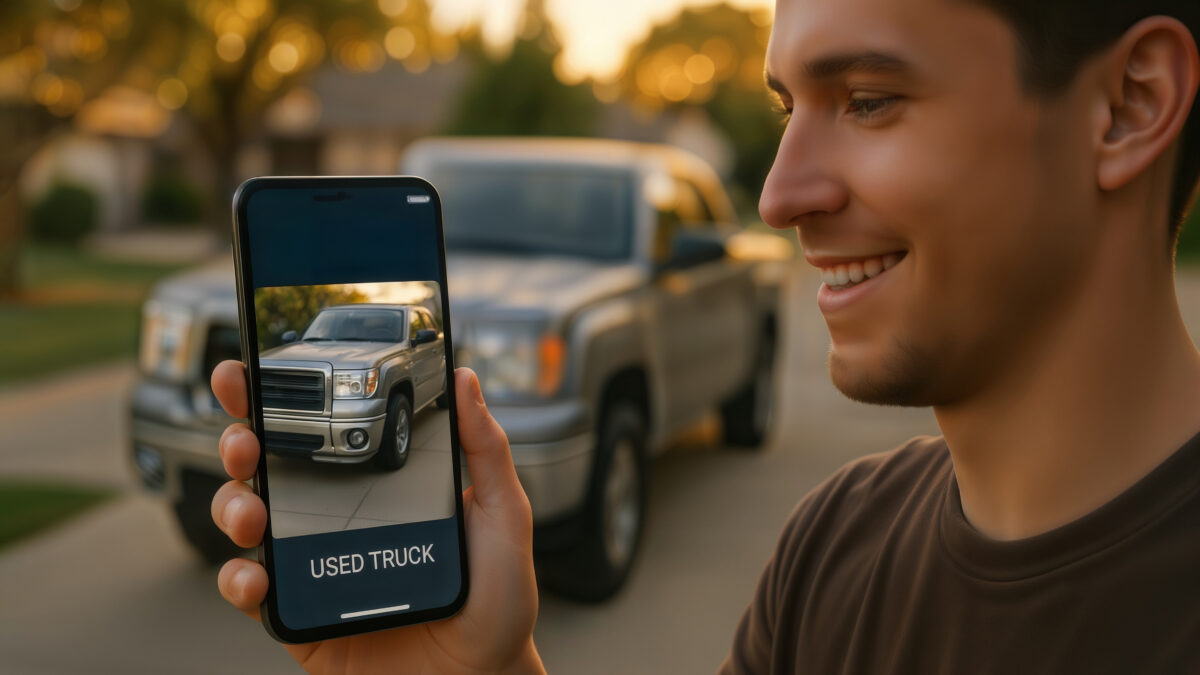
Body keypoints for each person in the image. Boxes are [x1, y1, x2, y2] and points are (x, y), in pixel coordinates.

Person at [209, 0, 1200, 671]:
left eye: (868, 100)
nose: (777, 196)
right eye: (786, 107)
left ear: (1127, 107)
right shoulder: (834, 546)